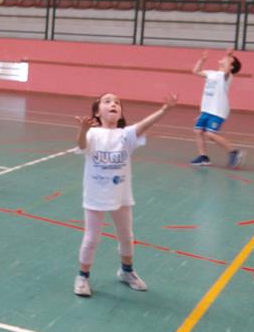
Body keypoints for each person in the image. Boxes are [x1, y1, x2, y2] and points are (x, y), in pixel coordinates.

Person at [73, 92, 177, 298]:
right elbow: (82, 145)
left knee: (126, 236)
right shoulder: (92, 134)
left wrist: (164, 110)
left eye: (117, 103)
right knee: (92, 238)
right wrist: (83, 129)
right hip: (96, 195)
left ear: (120, 112)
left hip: (121, 195)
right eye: (107, 101)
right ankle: (83, 276)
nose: (113, 104)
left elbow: (143, 125)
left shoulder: (125, 135)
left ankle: (126, 272)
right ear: (97, 111)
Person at [190, 49, 244, 168]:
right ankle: (203, 157)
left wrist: (229, 55)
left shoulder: (227, 76)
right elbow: (195, 71)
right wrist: (202, 60)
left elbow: (226, 70)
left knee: (210, 134)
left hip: (218, 110)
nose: (224, 59)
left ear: (231, 67)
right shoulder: (212, 73)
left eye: (228, 61)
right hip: (207, 109)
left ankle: (233, 152)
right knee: (198, 131)